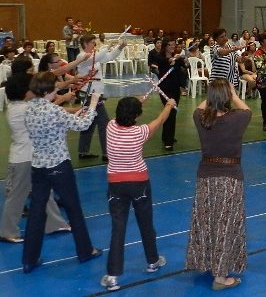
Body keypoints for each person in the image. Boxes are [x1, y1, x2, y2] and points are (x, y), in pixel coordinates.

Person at [22, 72, 103, 274]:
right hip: (58, 166)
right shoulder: (52, 110)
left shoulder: (29, 109)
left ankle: (28, 260)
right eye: (55, 88)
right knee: (74, 209)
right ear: (48, 91)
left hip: (39, 166)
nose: (58, 90)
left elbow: (54, 126)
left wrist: (74, 115)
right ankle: (85, 251)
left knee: (36, 213)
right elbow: (83, 125)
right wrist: (92, 104)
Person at [100, 96, 176, 291]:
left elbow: (127, 115)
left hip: (116, 184)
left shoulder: (110, 126)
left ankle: (113, 276)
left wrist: (136, 102)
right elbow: (159, 121)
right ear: (136, 115)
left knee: (118, 228)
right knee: (145, 222)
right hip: (138, 183)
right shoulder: (140, 132)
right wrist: (169, 105)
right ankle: (152, 261)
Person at [186, 79, 251, 291]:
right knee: (226, 224)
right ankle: (221, 277)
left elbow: (199, 107)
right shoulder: (238, 118)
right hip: (230, 177)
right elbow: (246, 108)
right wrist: (231, 93)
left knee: (207, 221)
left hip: (205, 176)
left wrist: (213, 95)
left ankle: (207, 262)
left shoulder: (200, 118)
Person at [0, 74, 71, 244]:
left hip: (28, 156)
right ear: (25, 92)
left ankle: (54, 223)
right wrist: (64, 100)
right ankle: (7, 230)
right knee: (18, 195)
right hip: (24, 158)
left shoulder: (17, 106)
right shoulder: (22, 109)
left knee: (44, 190)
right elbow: (46, 113)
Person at [76, 34, 126, 161]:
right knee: (104, 123)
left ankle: (83, 150)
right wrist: (108, 46)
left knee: (90, 123)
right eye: (92, 42)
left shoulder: (94, 56)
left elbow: (108, 57)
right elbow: (98, 56)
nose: (94, 45)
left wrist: (119, 47)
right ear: (85, 44)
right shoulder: (82, 56)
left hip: (95, 94)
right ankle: (107, 153)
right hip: (90, 95)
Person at [151, 38, 187, 151]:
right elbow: (160, 68)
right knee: (170, 112)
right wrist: (169, 62)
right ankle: (168, 141)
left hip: (175, 88)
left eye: (174, 45)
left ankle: (166, 135)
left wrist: (182, 59)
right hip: (165, 89)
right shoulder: (160, 58)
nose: (172, 47)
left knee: (172, 113)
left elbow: (185, 67)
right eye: (170, 45)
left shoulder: (176, 57)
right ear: (165, 46)